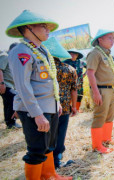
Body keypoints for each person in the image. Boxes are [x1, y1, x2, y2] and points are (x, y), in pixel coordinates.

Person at [6, 10, 72, 180]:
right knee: (36, 150)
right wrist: (37, 114)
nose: (47, 30)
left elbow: (49, 80)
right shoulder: (21, 51)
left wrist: (56, 104)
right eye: (43, 26)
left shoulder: (42, 50)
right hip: (34, 110)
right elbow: (23, 86)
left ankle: (49, 174)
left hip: (49, 106)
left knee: (49, 146)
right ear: (29, 28)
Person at [43, 37, 78, 169]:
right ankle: (57, 160)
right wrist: (74, 107)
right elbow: (74, 90)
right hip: (64, 106)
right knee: (60, 133)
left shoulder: (43, 69)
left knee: (48, 134)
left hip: (46, 107)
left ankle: (46, 161)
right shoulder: (70, 69)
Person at [86, 29, 114, 154]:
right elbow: (90, 73)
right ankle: (97, 145)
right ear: (100, 39)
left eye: (113, 38)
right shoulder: (95, 53)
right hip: (101, 89)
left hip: (110, 89)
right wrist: (96, 92)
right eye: (109, 38)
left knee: (109, 115)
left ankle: (106, 139)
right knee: (100, 116)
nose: (112, 41)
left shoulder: (107, 54)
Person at [0, 42, 22, 129]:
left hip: (8, 85)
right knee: (16, 98)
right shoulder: (5, 56)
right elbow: (0, 70)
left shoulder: (10, 58)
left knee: (8, 103)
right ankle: (11, 122)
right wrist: (1, 83)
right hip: (5, 85)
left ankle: (9, 123)